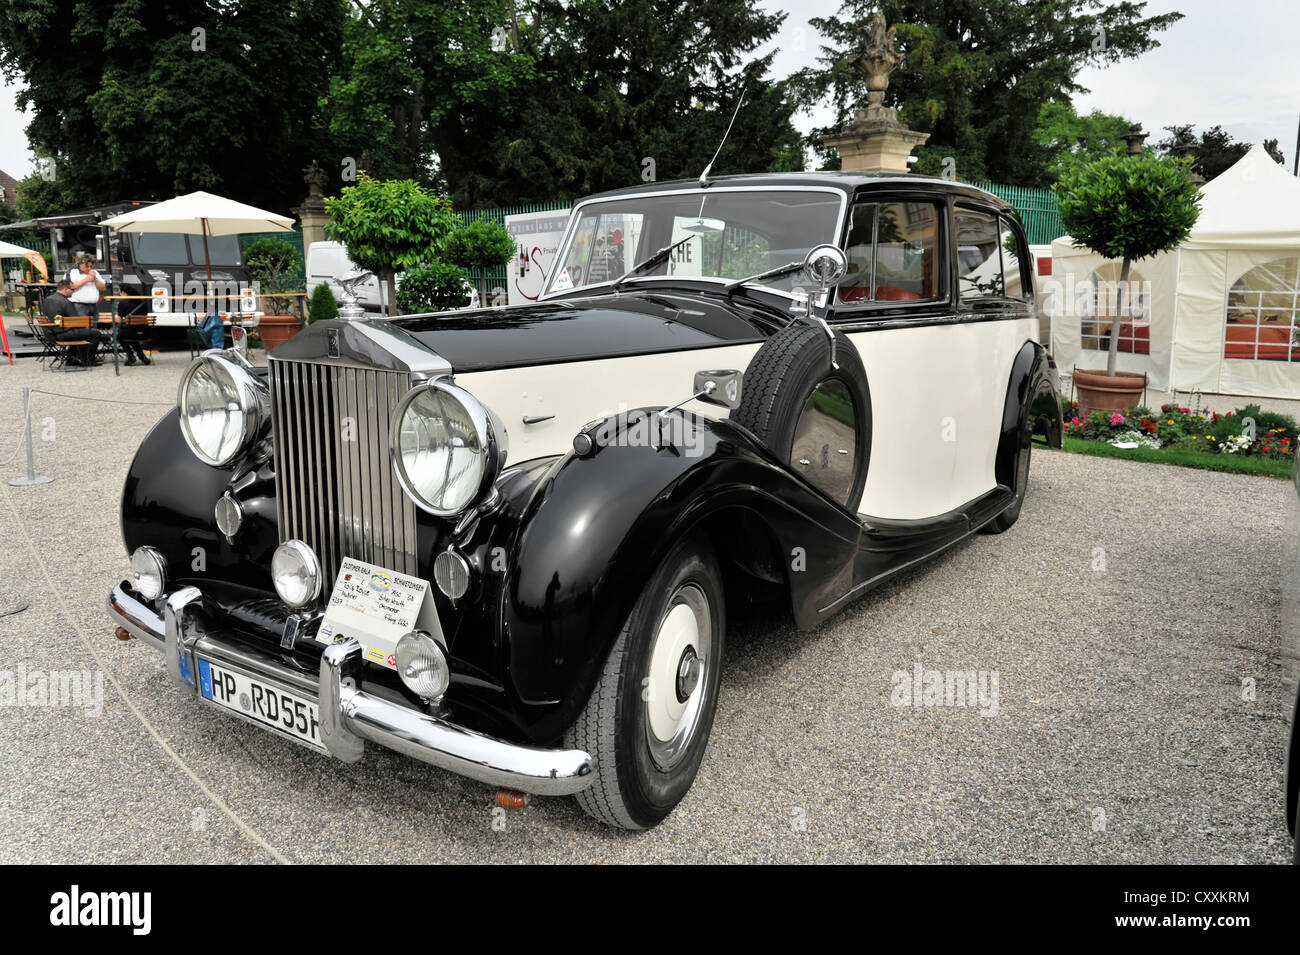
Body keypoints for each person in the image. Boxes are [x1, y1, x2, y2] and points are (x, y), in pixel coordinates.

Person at [40, 279, 103, 366]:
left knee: (82, 333)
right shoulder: (66, 302)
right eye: (72, 290)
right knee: (95, 333)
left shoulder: (47, 300)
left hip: (49, 334)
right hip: (63, 334)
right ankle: (88, 360)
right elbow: (76, 321)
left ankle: (72, 359)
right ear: (65, 289)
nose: (74, 292)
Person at [65, 253, 106, 317]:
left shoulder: (95, 272)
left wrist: (95, 279)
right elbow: (70, 287)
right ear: (80, 265)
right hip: (79, 306)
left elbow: (103, 288)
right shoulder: (73, 272)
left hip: (94, 306)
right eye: (87, 266)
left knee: (95, 326)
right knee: (83, 326)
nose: (89, 268)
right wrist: (86, 279)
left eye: (91, 266)